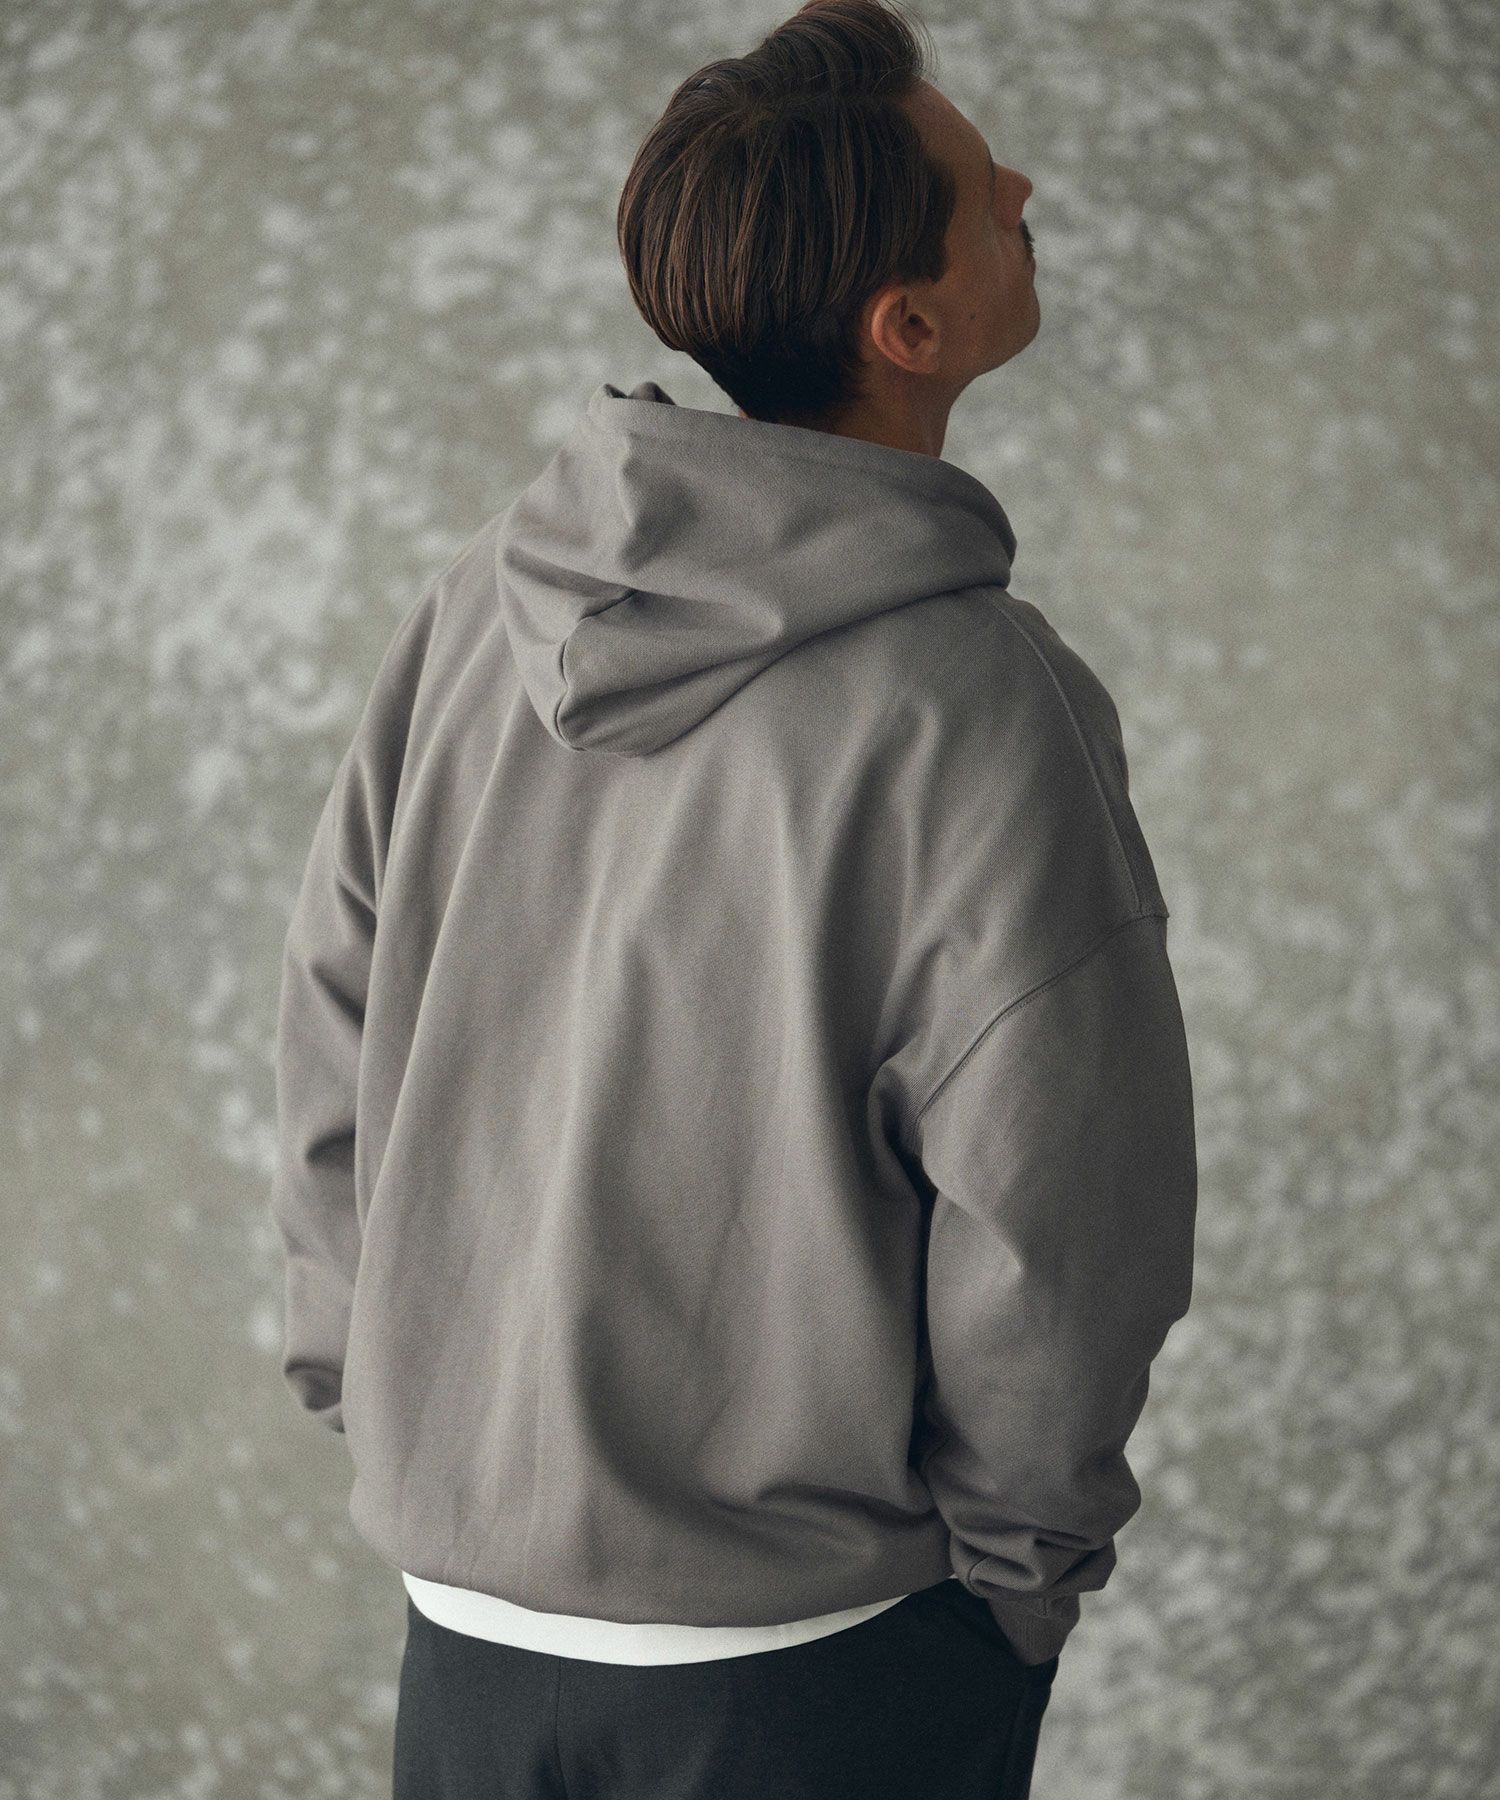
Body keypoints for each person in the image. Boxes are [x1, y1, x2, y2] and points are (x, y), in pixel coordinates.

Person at [268, 1, 1198, 1794]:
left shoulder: (481, 603)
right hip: (817, 1678)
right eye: (980, 188)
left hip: (466, 1651)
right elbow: (1059, 1207)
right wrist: (1016, 1583)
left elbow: (331, 1030)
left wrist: (382, 1395)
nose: (1024, 183)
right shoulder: (982, 701)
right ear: (907, 328)